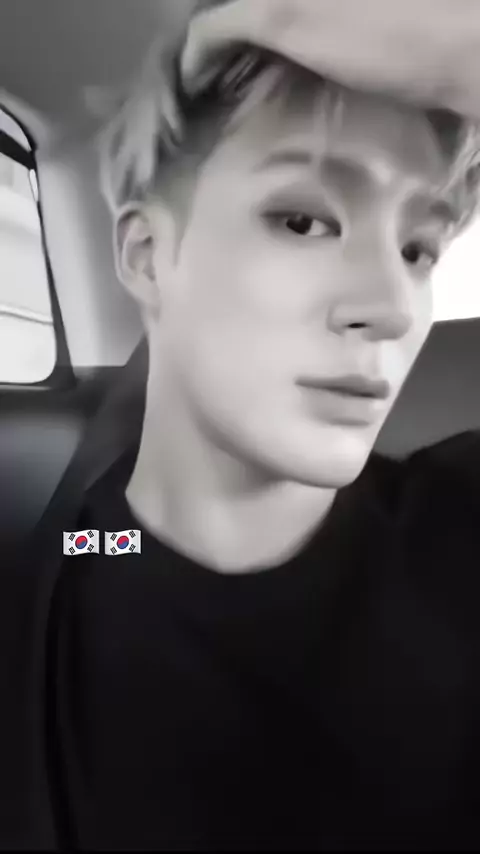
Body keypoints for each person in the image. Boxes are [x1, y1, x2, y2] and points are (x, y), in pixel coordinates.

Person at [3, 0, 480, 849]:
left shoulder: (459, 521)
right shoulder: (74, 552)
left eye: (418, 250)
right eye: (303, 220)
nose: (392, 307)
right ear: (148, 257)